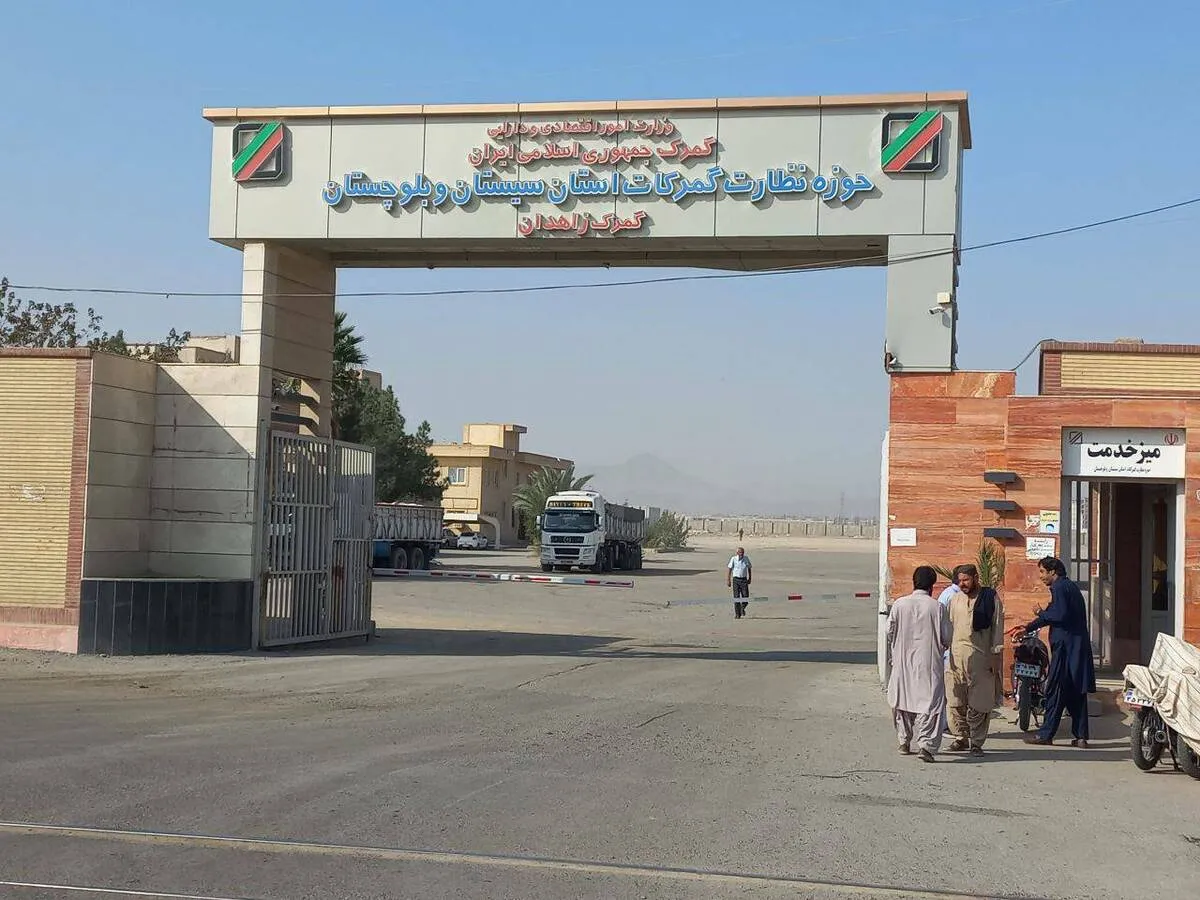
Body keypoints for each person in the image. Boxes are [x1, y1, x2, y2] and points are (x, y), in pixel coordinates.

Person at [1015, 556, 1096, 747]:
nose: (1041, 576)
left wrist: (1039, 613)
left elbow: (1058, 615)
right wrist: (1028, 628)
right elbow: (1053, 614)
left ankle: (1046, 734)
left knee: (1055, 689)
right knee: (1076, 691)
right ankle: (1081, 736)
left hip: (1065, 649)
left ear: (1053, 572)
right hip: (1075, 648)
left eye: (1043, 572)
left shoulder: (1059, 588)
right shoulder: (1069, 587)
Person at [887, 566, 951, 763]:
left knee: (903, 701)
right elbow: (947, 637)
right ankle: (926, 746)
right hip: (929, 663)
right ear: (932, 585)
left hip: (903, 662)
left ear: (914, 582)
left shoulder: (900, 604)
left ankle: (903, 741)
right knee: (931, 704)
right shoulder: (937, 607)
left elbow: (889, 631)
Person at [945, 565, 1005, 755]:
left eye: (966, 580)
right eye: (960, 581)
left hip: (981, 657)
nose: (962, 584)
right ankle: (960, 737)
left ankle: (977, 742)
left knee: (980, 702)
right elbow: (948, 627)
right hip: (956, 657)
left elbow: (997, 628)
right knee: (955, 700)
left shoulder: (990, 599)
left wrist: (996, 655)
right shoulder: (955, 599)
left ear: (976, 578)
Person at [936, 566, 966, 735]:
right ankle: (945, 725)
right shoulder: (951, 596)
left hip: (955, 646)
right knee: (949, 691)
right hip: (950, 648)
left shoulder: (952, 594)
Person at [727, 547, 752, 618]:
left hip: (744, 580)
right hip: (736, 580)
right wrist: (728, 580)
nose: (742, 554)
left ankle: (742, 608)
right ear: (737, 553)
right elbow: (729, 569)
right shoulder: (733, 559)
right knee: (736, 597)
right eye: (740, 552)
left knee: (746, 597)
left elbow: (749, 568)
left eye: (743, 552)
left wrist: (750, 578)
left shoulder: (746, 558)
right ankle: (737, 614)